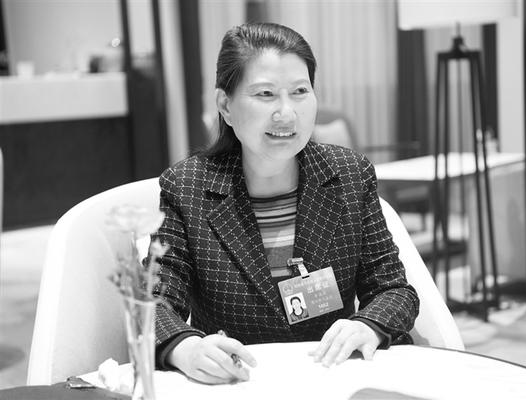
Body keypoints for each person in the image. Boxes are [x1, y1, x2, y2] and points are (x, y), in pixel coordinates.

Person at [150, 22, 419, 385]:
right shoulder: (188, 187)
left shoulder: (349, 175)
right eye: (265, 94)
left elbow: (393, 290)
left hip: (332, 379)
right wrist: (185, 347)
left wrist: (368, 325)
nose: (286, 113)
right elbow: (153, 302)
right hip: (237, 384)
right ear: (225, 105)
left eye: (299, 91)